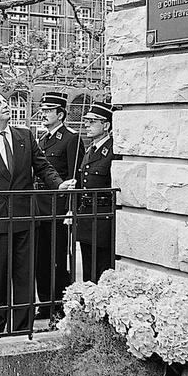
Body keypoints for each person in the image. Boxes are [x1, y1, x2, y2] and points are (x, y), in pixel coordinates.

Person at [0, 91, 74, 334]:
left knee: (25, 278)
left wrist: (58, 184)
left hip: (26, 217)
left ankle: (23, 330)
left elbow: (43, 166)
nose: (6, 105)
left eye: (5, 102)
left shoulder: (24, 135)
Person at [34, 92, 80, 321]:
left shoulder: (71, 139)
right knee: (40, 258)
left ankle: (61, 304)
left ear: (60, 114)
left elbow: (74, 177)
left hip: (59, 209)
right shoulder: (41, 141)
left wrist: (71, 209)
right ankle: (45, 303)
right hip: (40, 208)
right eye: (43, 110)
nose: (43, 114)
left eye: (48, 110)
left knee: (58, 258)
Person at [74, 102, 116, 281]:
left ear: (106, 125)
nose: (87, 125)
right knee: (88, 269)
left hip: (103, 218)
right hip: (87, 217)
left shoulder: (112, 149)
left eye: (92, 122)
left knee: (102, 269)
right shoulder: (91, 149)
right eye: (86, 122)